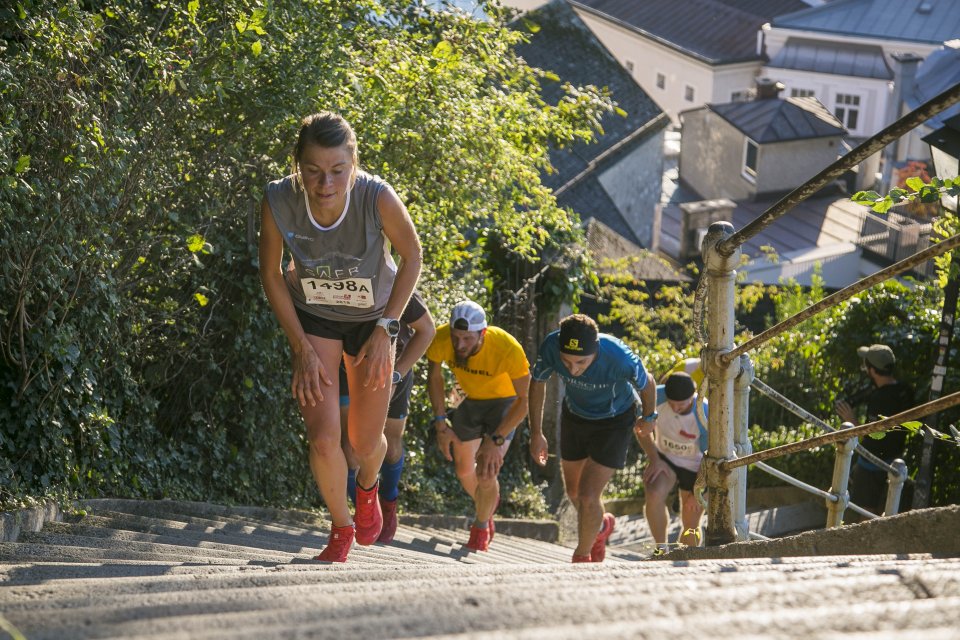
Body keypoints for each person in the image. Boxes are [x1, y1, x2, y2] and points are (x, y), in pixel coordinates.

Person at [259, 111, 422, 562]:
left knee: (364, 444)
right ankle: (340, 527)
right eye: (312, 171)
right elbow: (271, 274)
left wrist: (388, 327)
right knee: (325, 438)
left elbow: (412, 257)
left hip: (373, 320)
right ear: (298, 166)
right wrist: (301, 348)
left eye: (336, 171)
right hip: (316, 319)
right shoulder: (278, 199)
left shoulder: (377, 197)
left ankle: (368, 488)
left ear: (354, 163)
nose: (324, 183)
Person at [528, 314, 657, 563]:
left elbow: (647, 382)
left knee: (588, 496)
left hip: (615, 421)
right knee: (574, 493)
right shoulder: (551, 346)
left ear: (596, 349)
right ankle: (600, 527)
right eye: (566, 362)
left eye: (581, 362)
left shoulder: (618, 356)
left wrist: (650, 417)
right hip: (575, 416)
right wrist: (536, 433)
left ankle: (582, 558)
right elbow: (538, 383)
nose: (573, 370)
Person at [426, 300, 530, 551]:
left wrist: (496, 440)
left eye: (467, 339)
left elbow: (526, 400)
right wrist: (441, 422)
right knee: (464, 471)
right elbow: (435, 378)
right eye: (455, 337)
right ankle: (488, 501)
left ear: (482, 333)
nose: (459, 345)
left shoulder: (507, 348)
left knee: (486, 471)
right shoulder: (440, 338)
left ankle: (481, 527)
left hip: (505, 404)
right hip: (469, 400)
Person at [339, 290, 436, 543]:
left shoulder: (391, 279)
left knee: (392, 445)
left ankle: (389, 500)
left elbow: (427, 331)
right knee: (350, 446)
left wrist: (397, 375)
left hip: (393, 367)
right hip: (347, 365)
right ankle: (366, 508)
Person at [835, 344, 915, 515]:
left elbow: (873, 436)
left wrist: (851, 420)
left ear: (872, 370)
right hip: (895, 462)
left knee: (866, 515)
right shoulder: (905, 391)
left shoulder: (880, 398)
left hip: (872, 467)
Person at [637, 371, 708, 550]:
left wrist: (697, 491)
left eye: (681, 405)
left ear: (693, 397)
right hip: (665, 458)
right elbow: (640, 428)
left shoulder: (704, 412)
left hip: (698, 467)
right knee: (653, 495)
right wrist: (654, 459)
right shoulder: (656, 396)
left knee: (691, 522)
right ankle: (661, 549)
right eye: (672, 403)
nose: (675, 408)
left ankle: (687, 557)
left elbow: (711, 456)